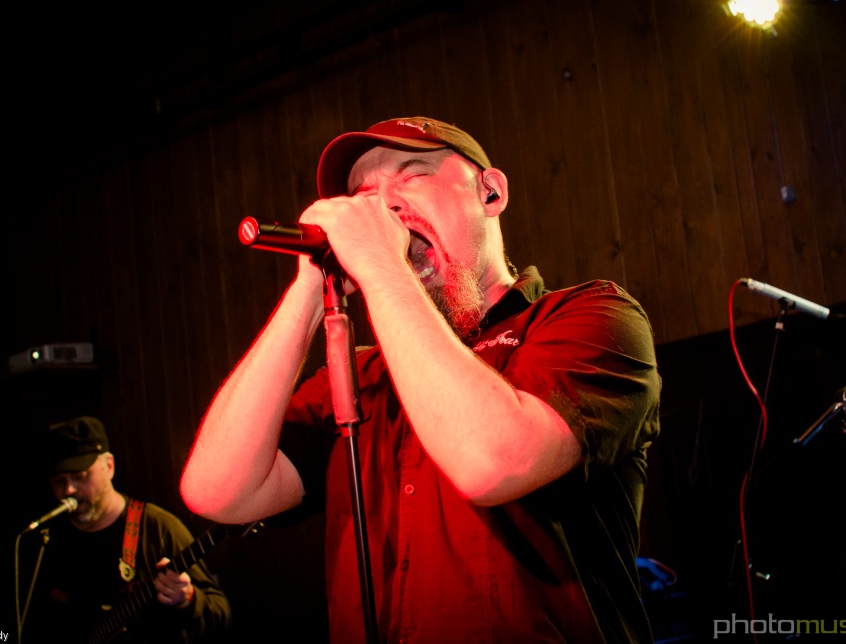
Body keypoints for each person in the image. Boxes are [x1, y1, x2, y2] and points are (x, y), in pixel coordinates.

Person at [181, 117, 661, 642]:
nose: (382, 206)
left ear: (490, 191)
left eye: (411, 175)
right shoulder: (359, 377)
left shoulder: (591, 315)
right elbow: (217, 492)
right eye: (363, 196)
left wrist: (380, 266)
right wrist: (308, 292)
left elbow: (493, 463)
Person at [23, 416, 231, 643]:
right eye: (59, 481)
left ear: (109, 466)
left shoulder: (158, 527)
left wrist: (189, 599)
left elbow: (221, 614)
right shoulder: (47, 540)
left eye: (79, 476)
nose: (69, 490)